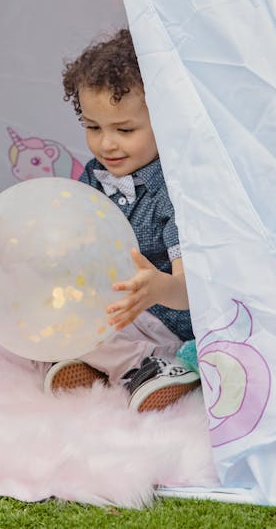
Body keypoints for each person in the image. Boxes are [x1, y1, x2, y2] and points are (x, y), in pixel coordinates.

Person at [44, 28, 199, 412]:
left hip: (166, 317)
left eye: (125, 130)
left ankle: (152, 366)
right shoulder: (96, 176)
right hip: (117, 305)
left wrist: (157, 287)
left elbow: (190, 289)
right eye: (93, 127)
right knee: (51, 314)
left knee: (96, 327)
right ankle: (98, 364)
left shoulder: (173, 190)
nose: (107, 144)